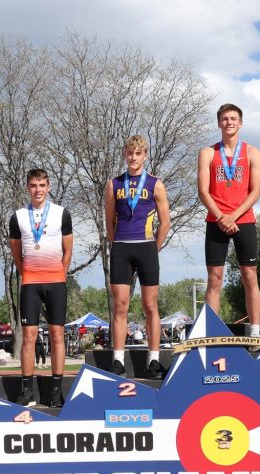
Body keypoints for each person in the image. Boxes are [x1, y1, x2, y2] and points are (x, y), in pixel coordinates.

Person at [104, 136, 171, 378]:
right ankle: (118, 361)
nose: (134, 157)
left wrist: (154, 247)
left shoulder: (156, 184)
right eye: (130, 153)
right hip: (122, 247)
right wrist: (116, 244)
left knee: (150, 306)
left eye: (138, 153)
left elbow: (165, 222)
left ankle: (153, 361)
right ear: (125, 154)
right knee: (120, 305)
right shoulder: (113, 184)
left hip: (146, 248)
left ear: (145, 155)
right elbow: (109, 220)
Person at [197, 103, 260, 336]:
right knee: (214, 278)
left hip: (243, 220)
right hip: (215, 221)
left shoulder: (253, 152)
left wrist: (233, 216)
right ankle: (212, 332)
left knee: (249, 275)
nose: (229, 122)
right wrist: (221, 217)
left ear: (241, 123)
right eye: (225, 119)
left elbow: (255, 191)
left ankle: (255, 331)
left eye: (234, 118)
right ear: (219, 123)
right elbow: (203, 191)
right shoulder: (207, 153)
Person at [9, 168, 73, 406]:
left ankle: (56, 390)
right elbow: (16, 252)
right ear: (28, 187)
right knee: (29, 337)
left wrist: (60, 274)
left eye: (42, 185)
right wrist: (27, 274)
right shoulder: (18, 216)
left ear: (49, 187)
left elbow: (68, 250)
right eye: (34, 186)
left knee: (57, 335)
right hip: (30, 283)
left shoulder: (61, 213)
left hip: (56, 281)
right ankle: (27, 391)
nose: (38, 190)